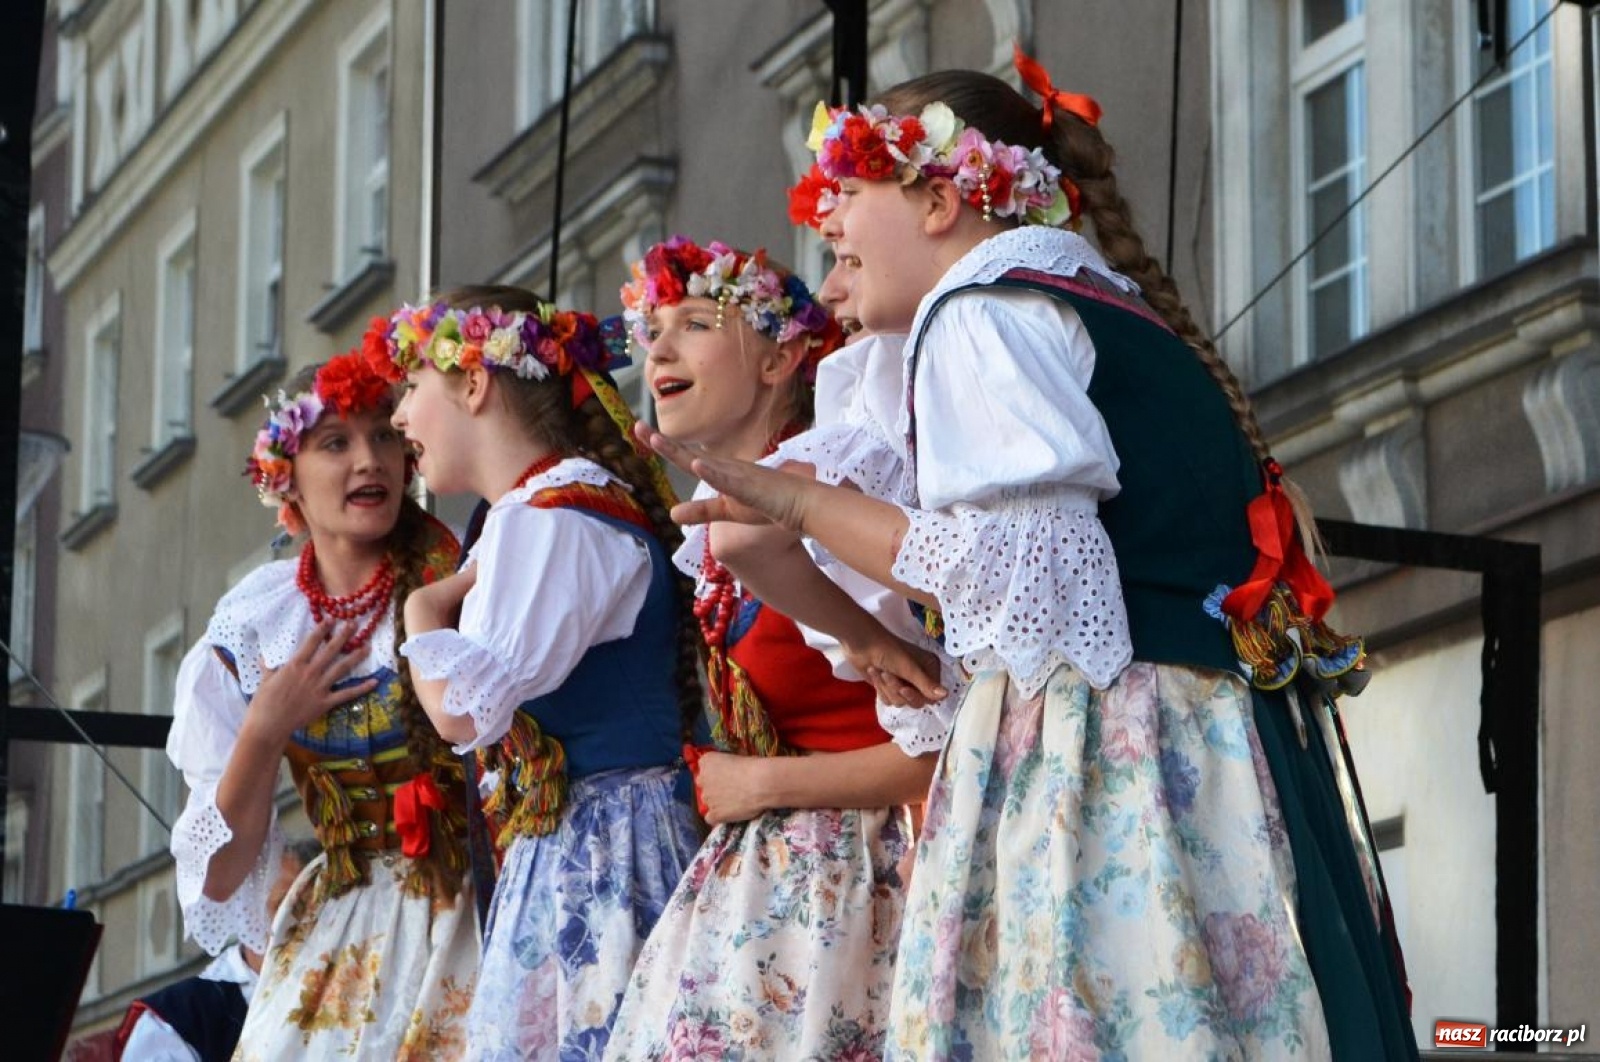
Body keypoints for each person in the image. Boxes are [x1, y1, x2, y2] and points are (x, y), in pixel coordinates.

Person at [640, 52, 1418, 1061]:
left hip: (1113, 743)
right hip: (1211, 738)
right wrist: (873, 629)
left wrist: (801, 500)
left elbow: (1023, 580)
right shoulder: (1094, 307)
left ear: (935, 200)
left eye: (848, 190)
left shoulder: (984, 312)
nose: (823, 223)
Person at [601, 238, 942, 1061]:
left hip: (869, 885)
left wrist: (762, 782)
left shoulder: (839, 500)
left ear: (781, 358)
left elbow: (949, 743)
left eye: (694, 324)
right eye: (652, 330)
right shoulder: (718, 534)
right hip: (776, 885)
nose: (660, 349)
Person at [371, 287, 705, 1061]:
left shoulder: (550, 518)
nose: (398, 419)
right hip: (579, 846)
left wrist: (423, 613)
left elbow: (463, 711)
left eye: (412, 387)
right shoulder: (535, 515)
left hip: (603, 852)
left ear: (475, 383)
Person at [166, 352, 479, 1060]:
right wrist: (265, 728)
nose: (368, 460)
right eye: (335, 442)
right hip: (342, 927)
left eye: (384, 436)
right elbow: (217, 878)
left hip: (472, 913)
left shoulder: (464, 583)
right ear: (286, 477)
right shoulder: (257, 622)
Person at [114, 840, 320, 1062]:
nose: (306, 924)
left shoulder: (354, 994)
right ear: (249, 912)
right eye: (287, 907)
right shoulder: (182, 1019)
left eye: (323, 911)